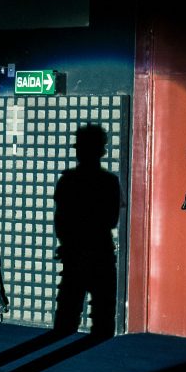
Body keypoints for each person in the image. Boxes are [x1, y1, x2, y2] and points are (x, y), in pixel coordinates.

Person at [52, 124, 122, 340]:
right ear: (102, 150)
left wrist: (69, 241)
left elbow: (60, 220)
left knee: (66, 314)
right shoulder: (110, 182)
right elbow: (112, 220)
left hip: (73, 252)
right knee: (103, 318)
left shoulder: (67, 180)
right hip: (101, 251)